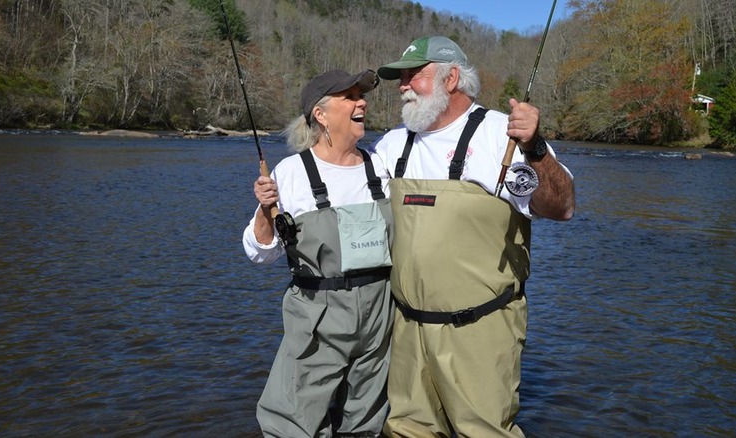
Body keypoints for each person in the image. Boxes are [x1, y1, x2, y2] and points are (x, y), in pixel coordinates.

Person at [370, 36, 576, 437]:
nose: (403, 85)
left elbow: (560, 207)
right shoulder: (393, 144)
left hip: (480, 330)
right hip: (407, 331)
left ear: (451, 79)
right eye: (401, 77)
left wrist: (535, 148)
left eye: (414, 75)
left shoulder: (503, 135)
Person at [242, 69, 394, 438]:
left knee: (366, 421)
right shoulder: (291, 173)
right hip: (317, 313)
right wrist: (266, 211)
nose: (362, 102)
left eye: (362, 95)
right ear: (320, 114)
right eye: (350, 96)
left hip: (380, 313)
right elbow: (260, 253)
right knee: (292, 422)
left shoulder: (381, 165)